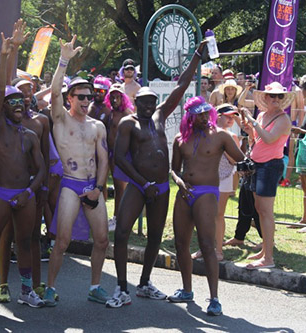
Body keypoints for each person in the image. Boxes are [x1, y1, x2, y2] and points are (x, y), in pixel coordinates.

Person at [106, 41, 206, 308]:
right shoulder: (129, 123)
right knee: (123, 233)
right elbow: (118, 158)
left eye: (152, 101)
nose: (149, 106)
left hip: (161, 188)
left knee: (154, 237)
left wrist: (196, 56)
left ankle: (145, 283)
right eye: (144, 102)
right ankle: (121, 287)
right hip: (140, 186)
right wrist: (142, 183)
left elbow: (180, 86)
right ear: (136, 102)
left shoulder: (160, 117)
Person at [0, 33, 45, 309]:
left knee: (25, 242)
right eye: (11, 102)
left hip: (23, 194)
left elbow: (39, 170)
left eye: (21, 102)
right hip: (1, 194)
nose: (18, 105)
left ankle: (27, 290)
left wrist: (29, 192)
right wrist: (5, 55)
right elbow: (1, 88)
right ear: (2, 107)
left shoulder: (30, 135)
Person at [43, 36, 109, 307]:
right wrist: (64, 60)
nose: (85, 100)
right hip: (70, 185)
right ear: (70, 99)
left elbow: (104, 159)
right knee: (62, 241)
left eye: (89, 96)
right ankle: (49, 288)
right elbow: (54, 92)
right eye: (80, 96)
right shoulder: (60, 119)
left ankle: (95, 286)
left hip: (92, 184)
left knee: (103, 240)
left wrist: (99, 188)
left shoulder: (97, 126)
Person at [168, 96, 245, 316]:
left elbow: (241, 158)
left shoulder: (220, 135)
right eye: (198, 114)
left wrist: (248, 134)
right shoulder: (180, 139)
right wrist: (179, 181)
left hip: (206, 193)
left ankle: (214, 298)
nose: (203, 117)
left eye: (205, 113)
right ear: (190, 116)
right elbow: (174, 169)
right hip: (185, 193)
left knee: (207, 245)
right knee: (181, 244)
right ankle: (186, 290)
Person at [240, 82, 294, 269]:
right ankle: (265, 251)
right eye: (273, 96)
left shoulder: (283, 119)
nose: (276, 99)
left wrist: (253, 122)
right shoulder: (263, 115)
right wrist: (250, 131)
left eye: (280, 96)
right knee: (260, 209)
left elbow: (270, 140)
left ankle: (268, 258)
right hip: (258, 165)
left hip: (269, 167)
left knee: (265, 211)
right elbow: (258, 139)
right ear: (265, 97)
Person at [191, 104, 241, 261]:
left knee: (218, 214)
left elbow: (235, 160)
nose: (231, 119)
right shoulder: (205, 133)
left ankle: (218, 250)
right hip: (206, 177)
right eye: (228, 116)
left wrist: (222, 146)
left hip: (224, 178)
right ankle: (204, 247)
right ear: (218, 116)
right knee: (203, 214)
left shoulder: (231, 136)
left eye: (233, 117)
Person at [104, 83, 134, 231]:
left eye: (118, 97)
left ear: (123, 98)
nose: (115, 100)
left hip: (121, 155)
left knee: (121, 188)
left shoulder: (127, 114)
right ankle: (117, 217)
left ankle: (118, 218)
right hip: (110, 154)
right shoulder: (110, 112)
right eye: (112, 97)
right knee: (116, 187)